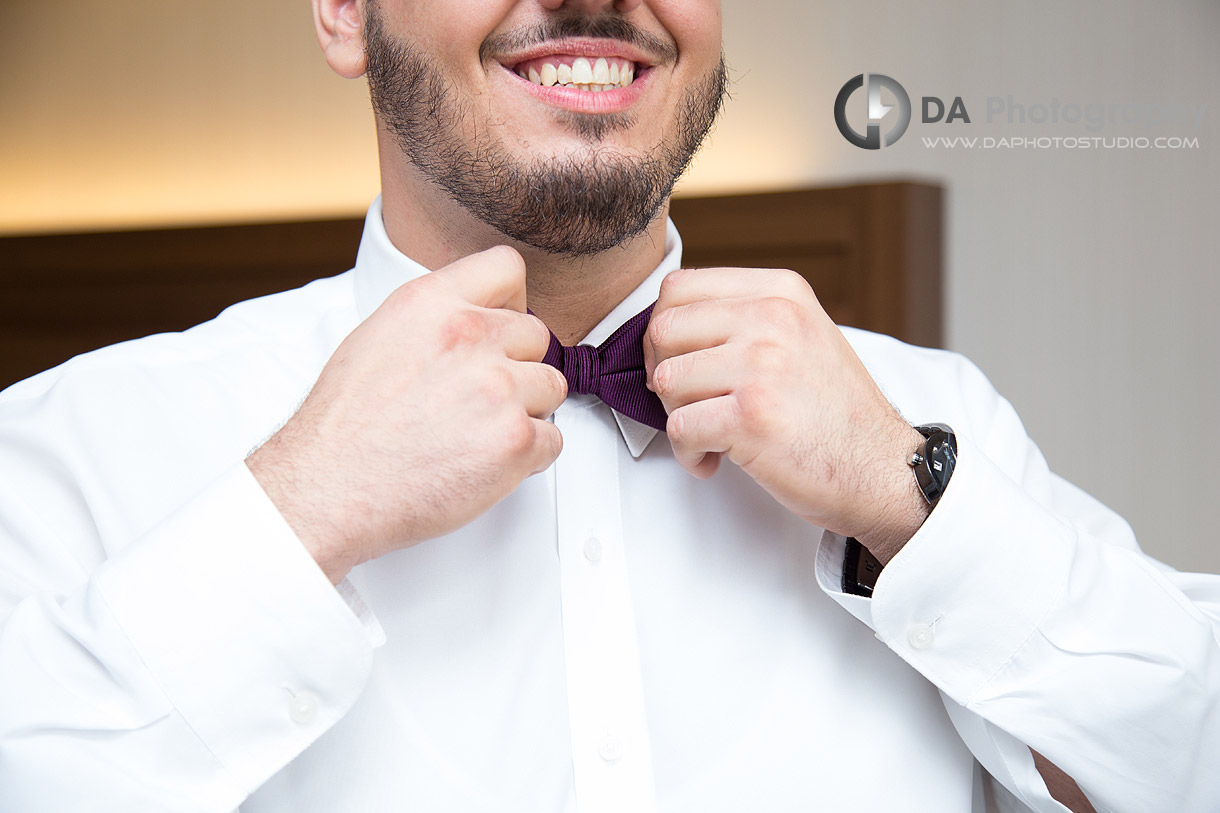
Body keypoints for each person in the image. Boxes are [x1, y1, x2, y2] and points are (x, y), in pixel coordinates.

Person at [0, 1, 1217, 811]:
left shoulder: (933, 420)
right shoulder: (73, 447)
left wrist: (911, 500)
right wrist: (298, 512)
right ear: (341, 9)